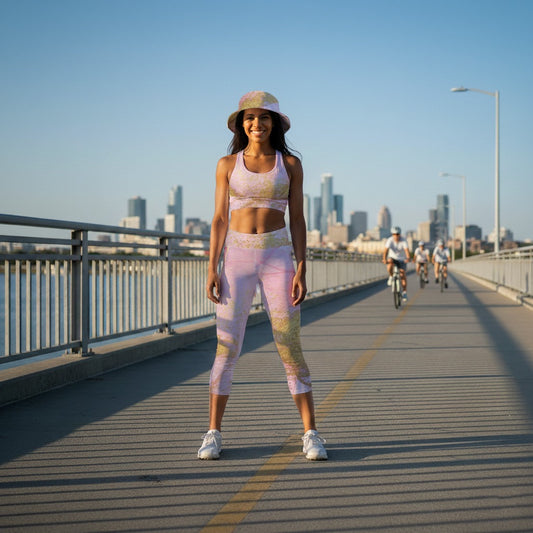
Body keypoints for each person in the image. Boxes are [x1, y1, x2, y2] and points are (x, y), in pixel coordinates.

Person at [198, 91, 327, 461]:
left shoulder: (290, 164)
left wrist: (301, 265)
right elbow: (220, 218)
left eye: (264, 117)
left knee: (289, 345)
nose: (257, 123)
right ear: (242, 123)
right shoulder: (226, 164)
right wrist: (212, 266)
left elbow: (297, 218)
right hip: (236, 259)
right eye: (250, 118)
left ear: (275, 123)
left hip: (277, 257)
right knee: (227, 346)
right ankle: (213, 433)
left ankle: (311, 433)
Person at [383, 226, 411, 301]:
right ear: (392, 234)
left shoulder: (404, 240)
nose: (396, 236)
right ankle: (391, 276)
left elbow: (406, 250)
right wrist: (384, 259)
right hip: (392, 258)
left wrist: (408, 258)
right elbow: (385, 251)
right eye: (394, 234)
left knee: (402, 275)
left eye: (397, 234)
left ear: (400, 234)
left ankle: (404, 292)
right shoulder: (390, 240)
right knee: (390, 264)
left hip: (402, 260)